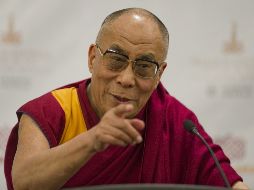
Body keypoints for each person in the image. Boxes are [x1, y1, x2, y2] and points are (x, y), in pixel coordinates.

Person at [4, 8, 248, 190]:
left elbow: (229, 182)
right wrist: (93, 139)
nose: (127, 78)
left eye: (144, 66)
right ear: (92, 58)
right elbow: (24, 181)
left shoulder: (174, 120)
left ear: (159, 74)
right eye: (116, 58)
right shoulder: (52, 111)